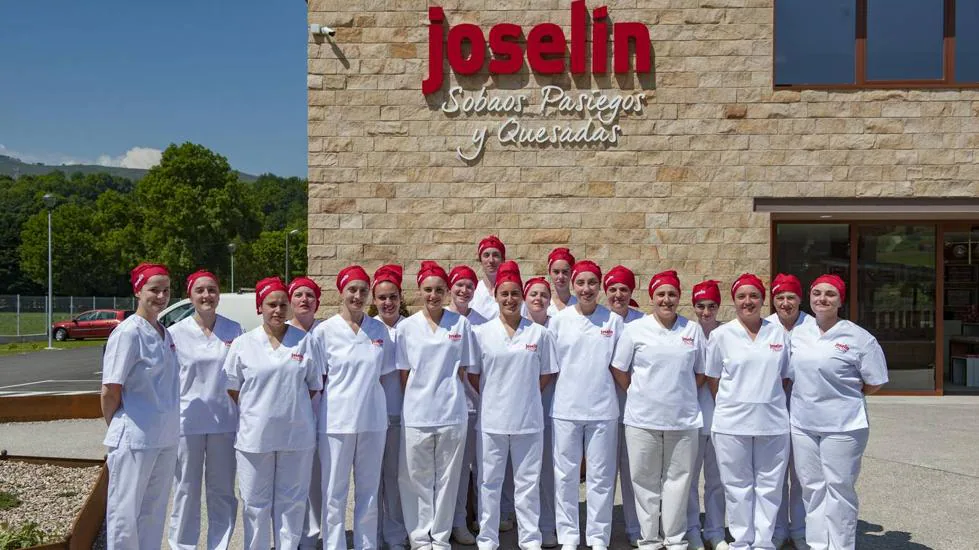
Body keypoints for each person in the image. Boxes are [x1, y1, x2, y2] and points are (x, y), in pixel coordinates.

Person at [788, 274, 887, 550]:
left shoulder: (858, 338)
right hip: (803, 424)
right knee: (812, 488)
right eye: (817, 293)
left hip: (843, 426)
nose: (822, 299)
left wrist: (842, 398)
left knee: (839, 489)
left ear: (840, 300)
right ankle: (818, 544)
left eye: (830, 294)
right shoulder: (799, 333)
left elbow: (875, 382)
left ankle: (842, 546)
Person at [223, 277, 322, 550]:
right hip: (255, 440)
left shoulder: (305, 342)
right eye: (271, 304)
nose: (278, 310)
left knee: (292, 502)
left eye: (282, 304)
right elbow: (233, 388)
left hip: (296, 437)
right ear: (260, 307)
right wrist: (261, 410)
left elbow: (314, 386)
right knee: (255, 502)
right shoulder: (243, 344)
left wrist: (286, 407)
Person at [611, 270, 706, 550]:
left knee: (679, 482)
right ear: (652, 297)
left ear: (679, 297)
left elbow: (700, 372)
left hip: (683, 420)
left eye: (672, 294)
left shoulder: (691, 330)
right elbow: (619, 368)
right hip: (642, 420)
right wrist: (639, 393)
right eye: (661, 294)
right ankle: (650, 539)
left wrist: (681, 393)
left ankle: (675, 539)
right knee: (644, 481)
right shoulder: (635, 330)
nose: (667, 299)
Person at [470, 261, 559, 550]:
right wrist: (496, 394)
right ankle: (487, 539)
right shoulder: (481, 334)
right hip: (492, 421)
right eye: (504, 294)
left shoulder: (539, 334)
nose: (510, 300)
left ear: (522, 297)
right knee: (489, 484)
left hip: (528, 421)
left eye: (515, 294)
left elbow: (546, 374)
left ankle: (530, 540)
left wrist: (524, 395)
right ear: (495, 296)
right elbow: (473, 375)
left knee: (527, 485)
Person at [312, 265, 396, 550]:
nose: (358, 296)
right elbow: (318, 380)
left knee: (369, 491)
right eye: (352, 290)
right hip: (336, 423)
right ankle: (333, 545)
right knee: (334, 492)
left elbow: (383, 374)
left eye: (363, 290)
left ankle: (366, 544)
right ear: (341, 292)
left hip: (372, 422)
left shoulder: (378, 330)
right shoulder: (324, 332)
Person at [705, 274, 791, 550]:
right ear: (734, 300)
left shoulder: (778, 333)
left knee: (769, 487)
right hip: (732, 424)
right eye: (741, 296)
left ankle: (764, 543)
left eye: (754, 296)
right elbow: (713, 378)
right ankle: (742, 542)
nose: (748, 301)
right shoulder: (721, 335)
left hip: (773, 424)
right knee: (737, 487)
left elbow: (785, 376)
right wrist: (737, 403)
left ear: (763, 300)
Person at [398, 261, 477, 550]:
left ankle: (440, 538)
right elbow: (404, 373)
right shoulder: (407, 328)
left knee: (447, 478)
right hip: (418, 413)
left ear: (446, 292)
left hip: (451, 413)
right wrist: (422, 396)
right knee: (416, 478)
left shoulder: (461, 325)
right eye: (428, 289)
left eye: (439, 290)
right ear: (420, 291)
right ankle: (420, 537)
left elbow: (462, 370)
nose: (433, 295)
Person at [101, 263, 180, 550]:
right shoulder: (128, 333)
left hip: (165, 437)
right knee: (125, 514)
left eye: (166, 290)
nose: (161, 296)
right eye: (154, 289)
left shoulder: (163, 332)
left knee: (154, 511)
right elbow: (110, 389)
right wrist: (121, 425)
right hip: (135, 438)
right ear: (137, 290)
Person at [549, 260, 623, 550]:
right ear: (573, 285)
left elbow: (620, 368)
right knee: (566, 477)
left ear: (600, 286)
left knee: (601, 478)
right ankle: (568, 537)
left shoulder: (613, 322)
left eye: (592, 283)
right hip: (566, 409)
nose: (586, 288)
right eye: (581, 283)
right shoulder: (559, 321)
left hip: (603, 410)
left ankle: (598, 538)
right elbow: (551, 366)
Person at [168, 270, 242, 550]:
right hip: (188, 424)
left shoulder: (234, 330)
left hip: (225, 422)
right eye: (200, 290)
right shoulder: (175, 333)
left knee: (222, 491)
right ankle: (182, 546)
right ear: (190, 295)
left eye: (211, 290)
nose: (206, 296)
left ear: (219, 294)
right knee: (186, 490)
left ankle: (219, 545)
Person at [767, 274, 810, 550]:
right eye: (780, 297)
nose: (785, 303)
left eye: (791, 297)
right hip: (772, 412)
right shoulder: (765, 327)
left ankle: (801, 530)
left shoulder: (812, 326)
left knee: (804, 476)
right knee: (774, 476)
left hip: (807, 411)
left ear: (799, 300)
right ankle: (777, 529)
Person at [603, 265, 643, 547]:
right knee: (602, 475)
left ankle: (635, 528)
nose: (618, 295)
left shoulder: (642, 322)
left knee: (634, 473)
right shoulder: (599, 319)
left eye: (624, 289)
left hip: (634, 410)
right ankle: (599, 532)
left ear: (632, 292)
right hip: (602, 408)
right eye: (613, 289)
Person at [686, 280, 728, 550]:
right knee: (687, 480)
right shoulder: (686, 332)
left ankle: (715, 531)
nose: (706, 311)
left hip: (722, 418)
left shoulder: (728, 334)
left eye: (712, 306)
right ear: (694, 306)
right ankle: (691, 529)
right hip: (690, 416)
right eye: (700, 306)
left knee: (718, 480)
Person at [372, 264, 410, 550]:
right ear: (374, 300)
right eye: (382, 297)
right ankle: (371, 535)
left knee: (396, 480)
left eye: (392, 297)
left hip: (402, 414)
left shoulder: (410, 328)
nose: (387, 303)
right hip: (371, 417)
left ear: (400, 298)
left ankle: (396, 535)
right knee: (371, 481)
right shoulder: (368, 329)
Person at [287, 275, 326, 550]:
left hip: (325, 414)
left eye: (310, 295)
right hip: (290, 418)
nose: (304, 300)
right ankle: (289, 535)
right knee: (290, 481)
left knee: (315, 480)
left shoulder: (325, 332)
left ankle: (311, 535)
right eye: (299, 295)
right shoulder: (282, 330)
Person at [522, 276, 559, 547]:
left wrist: (533, 391)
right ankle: (521, 523)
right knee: (522, 473)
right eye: (533, 293)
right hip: (518, 408)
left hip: (551, 403)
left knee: (547, 470)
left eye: (543, 294)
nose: (538, 298)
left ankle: (547, 525)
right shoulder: (517, 326)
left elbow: (550, 370)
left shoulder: (558, 325)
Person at [471, 235, 506, 320]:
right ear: (480, 260)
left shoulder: (510, 291)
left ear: (503, 260)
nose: (491, 260)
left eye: (496, 255)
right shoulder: (473, 291)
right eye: (486, 255)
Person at [546, 248, 577, 315]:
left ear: (571, 272)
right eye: (556, 272)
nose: (561, 277)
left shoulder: (579, 305)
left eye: (565, 272)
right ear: (549, 272)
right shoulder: (544, 305)